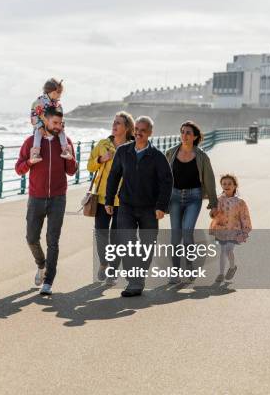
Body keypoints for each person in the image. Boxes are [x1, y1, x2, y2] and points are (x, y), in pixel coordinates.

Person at [105, 116, 173, 297]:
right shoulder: (123, 151)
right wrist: (109, 200)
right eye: (136, 129)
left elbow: (167, 182)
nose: (138, 133)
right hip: (126, 205)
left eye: (143, 130)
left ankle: (138, 278)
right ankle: (134, 280)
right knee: (127, 243)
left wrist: (161, 206)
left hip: (149, 208)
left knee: (147, 245)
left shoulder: (157, 156)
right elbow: (114, 176)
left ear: (150, 133)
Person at [15, 106, 78, 295]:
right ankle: (41, 265)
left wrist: (69, 158)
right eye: (55, 123)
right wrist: (30, 163)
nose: (59, 126)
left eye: (61, 123)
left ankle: (48, 281)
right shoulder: (30, 143)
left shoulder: (65, 142)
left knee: (53, 240)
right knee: (31, 238)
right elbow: (19, 169)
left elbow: (72, 171)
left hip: (58, 198)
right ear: (46, 121)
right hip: (36, 198)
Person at [164, 121, 218, 284]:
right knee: (175, 235)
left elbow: (209, 180)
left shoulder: (202, 156)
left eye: (188, 132)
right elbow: (164, 178)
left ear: (195, 137)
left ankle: (189, 265)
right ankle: (175, 272)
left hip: (194, 198)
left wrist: (214, 202)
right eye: (182, 132)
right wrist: (159, 201)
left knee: (187, 232)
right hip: (174, 196)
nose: (184, 135)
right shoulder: (171, 153)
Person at [86, 111, 134, 286]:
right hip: (102, 198)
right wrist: (101, 158)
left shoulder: (132, 148)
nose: (114, 125)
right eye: (113, 122)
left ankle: (112, 270)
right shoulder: (103, 144)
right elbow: (89, 166)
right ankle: (104, 263)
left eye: (119, 123)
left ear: (127, 128)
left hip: (123, 200)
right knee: (101, 234)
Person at [209, 174, 252, 282]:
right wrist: (213, 213)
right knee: (223, 251)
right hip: (221, 229)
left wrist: (245, 230)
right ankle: (221, 274)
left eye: (229, 184)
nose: (226, 186)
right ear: (221, 185)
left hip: (234, 230)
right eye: (224, 184)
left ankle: (232, 267)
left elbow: (245, 217)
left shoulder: (240, 202)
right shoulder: (219, 200)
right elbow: (214, 214)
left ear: (235, 186)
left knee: (228, 250)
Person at [29, 78, 73, 164]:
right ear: (53, 92)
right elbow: (34, 116)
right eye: (59, 93)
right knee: (38, 133)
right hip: (42, 126)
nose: (60, 96)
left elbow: (60, 116)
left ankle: (65, 151)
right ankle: (35, 153)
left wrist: (61, 125)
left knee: (62, 133)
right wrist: (40, 127)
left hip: (54, 127)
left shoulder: (58, 104)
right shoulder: (39, 102)